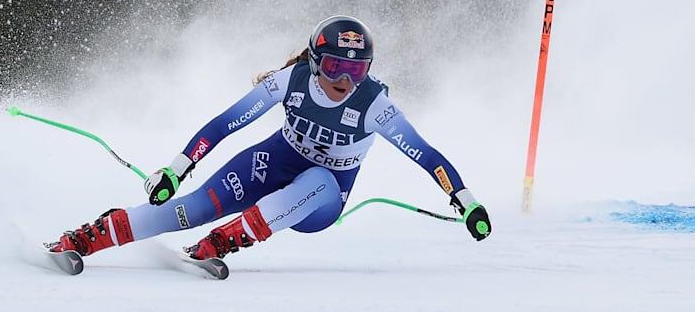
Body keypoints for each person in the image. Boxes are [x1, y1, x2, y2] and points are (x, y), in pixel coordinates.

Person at [48, 15, 491, 261]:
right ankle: (87, 238)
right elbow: (225, 124)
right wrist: (174, 170)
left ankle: (225, 241)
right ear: (317, 62)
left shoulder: (375, 105)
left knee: (318, 179)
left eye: (358, 69)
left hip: (321, 200)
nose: (346, 79)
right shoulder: (289, 81)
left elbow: (428, 156)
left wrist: (467, 202)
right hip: (272, 163)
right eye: (336, 66)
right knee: (189, 209)